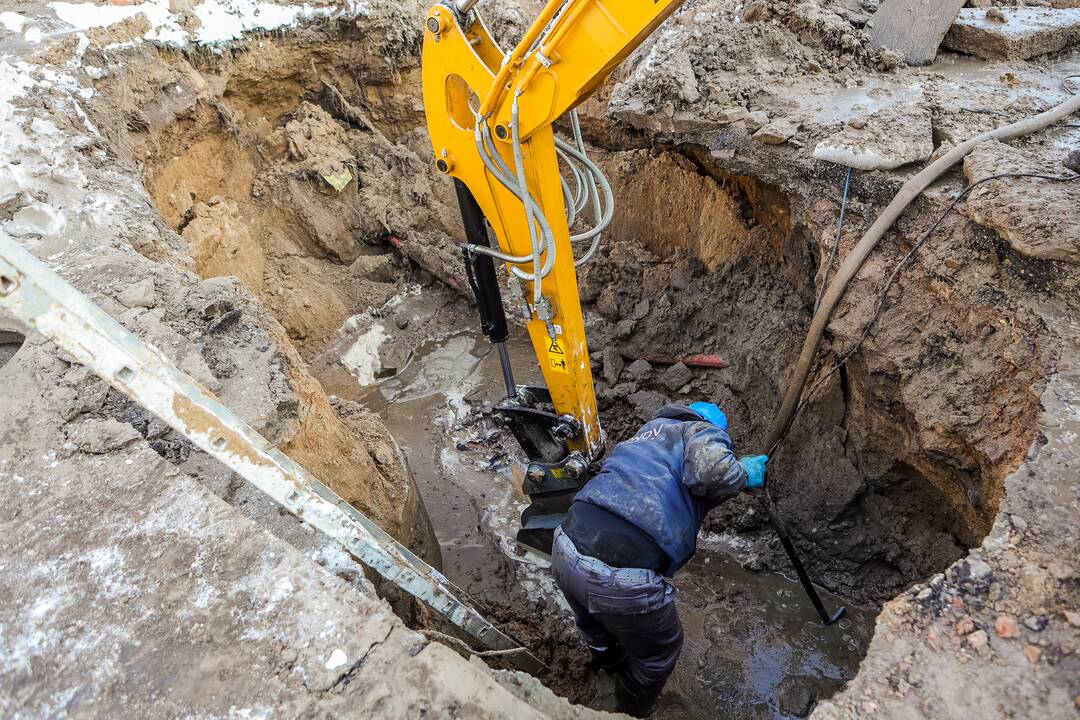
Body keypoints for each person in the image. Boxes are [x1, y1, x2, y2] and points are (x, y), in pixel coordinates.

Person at [551, 402, 768, 718]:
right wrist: (744, 471)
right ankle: (628, 712)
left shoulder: (646, 433)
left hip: (565, 545)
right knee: (659, 652)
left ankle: (605, 667)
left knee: (593, 625)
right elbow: (711, 471)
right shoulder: (699, 430)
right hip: (620, 578)